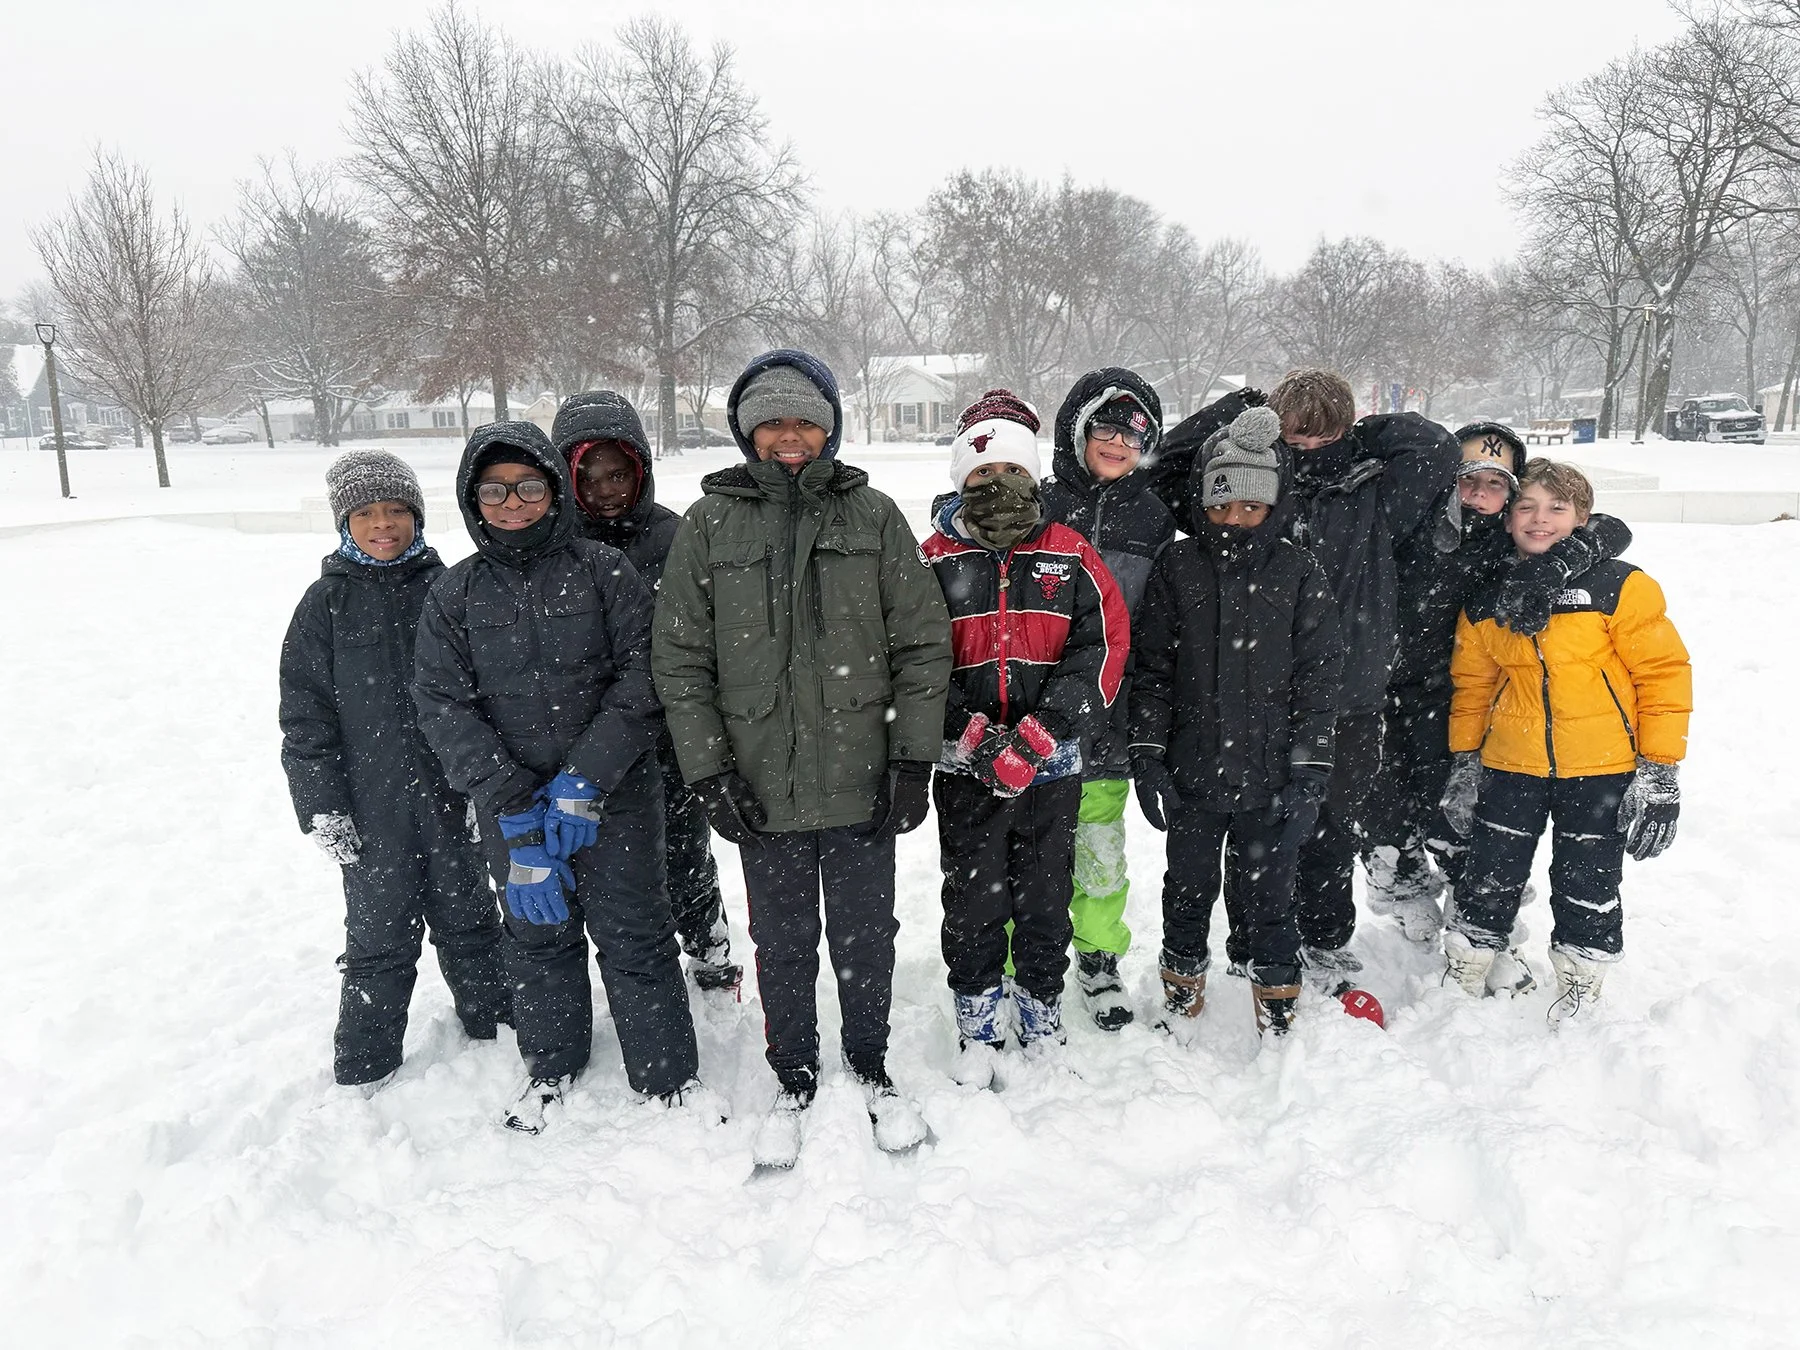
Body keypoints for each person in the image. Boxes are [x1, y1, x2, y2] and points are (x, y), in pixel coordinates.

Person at [652, 349, 952, 1167]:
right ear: (748, 432)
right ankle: (794, 1072)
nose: (791, 436)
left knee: (865, 935)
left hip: (861, 778)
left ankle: (869, 1061)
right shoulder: (709, 526)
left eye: (805, 420)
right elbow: (681, 659)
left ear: (830, 428)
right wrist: (709, 771)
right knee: (781, 942)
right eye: (773, 422)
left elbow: (923, 645)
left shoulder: (875, 516)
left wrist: (911, 759)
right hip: (760, 783)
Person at [413, 422, 706, 1134]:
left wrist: (586, 779)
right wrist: (513, 809)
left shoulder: (605, 572)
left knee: (635, 933)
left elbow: (644, 677)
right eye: (495, 490)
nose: (513, 503)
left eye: (529, 487)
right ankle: (551, 1066)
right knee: (537, 937)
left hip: (614, 796)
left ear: (553, 492)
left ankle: (667, 1080)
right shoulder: (456, 594)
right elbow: (442, 704)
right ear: (472, 499)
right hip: (511, 807)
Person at [1362, 422, 1634, 965]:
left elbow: (1604, 526)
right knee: (1377, 807)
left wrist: (1556, 564)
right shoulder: (1401, 521)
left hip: (1455, 693)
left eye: (1495, 483)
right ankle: (1404, 889)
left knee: (1456, 812)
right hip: (1371, 690)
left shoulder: (1509, 547)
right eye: (1466, 479)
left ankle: (1484, 921)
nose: (1479, 495)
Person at [919, 390, 1130, 1087]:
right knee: (975, 898)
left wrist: (1044, 731)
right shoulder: (932, 559)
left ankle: (1040, 1001)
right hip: (967, 770)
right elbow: (910, 660)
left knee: (1044, 895)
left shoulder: (1067, 553)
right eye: (980, 475)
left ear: (1031, 474)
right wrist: (971, 734)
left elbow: (1102, 646)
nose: (995, 484)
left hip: (1051, 766)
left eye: (1009, 470)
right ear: (960, 478)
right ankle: (977, 1010)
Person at [279, 450, 508, 1091]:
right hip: (372, 808)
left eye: (396, 511)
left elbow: (491, 692)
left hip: (451, 793)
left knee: (471, 923)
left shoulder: (454, 587)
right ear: (344, 523)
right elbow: (305, 716)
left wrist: (481, 784)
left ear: (417, 516)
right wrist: (321, 803)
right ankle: (365, 1065)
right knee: (378, 940)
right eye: (365, 513)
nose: (383, 525)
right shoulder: (324, 604)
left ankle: (496, 1029)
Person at [1440, 459, 1691, 1021]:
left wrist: (1660, 768)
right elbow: (1474, 685)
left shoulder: (1619, 586)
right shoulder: (1487, 595)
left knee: (1589, 878)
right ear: (1507, 518)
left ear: (1581, 516)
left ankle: (1580, 977)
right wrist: (1465, 760)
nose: (1539, 518)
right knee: (1489, 874)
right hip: (1511, 762)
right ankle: (1469, 966)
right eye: (1526, 505)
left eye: (1557, 507)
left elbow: (1664, 674)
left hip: (1601, 765)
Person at [1129, 407, 1344, 1037]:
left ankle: (1274, 984)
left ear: (1273, 507)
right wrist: (1148, 752)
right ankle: (1182, 977)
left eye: (1252, 509)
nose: (1235, 520)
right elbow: (1153, 671)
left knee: (1271, 894)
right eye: (1222, 506)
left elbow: (1319, 676)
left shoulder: (1298, 571)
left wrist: (1310, 768)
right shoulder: (1178, 567)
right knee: (1188, 888)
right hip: (1194, 772)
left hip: (1272, 775)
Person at [550, 389, 741, 996]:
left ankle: (707, 944)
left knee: (683, 854)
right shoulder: (550, 548)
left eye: (619, 473)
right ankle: (627, 966)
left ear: (642, 469)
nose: (606, 489)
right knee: (605, 865)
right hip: (584, 738)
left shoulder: (678, 538)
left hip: (670, 737)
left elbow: (715, 633)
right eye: (590, 475)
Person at [1040, 368, 1174, 1031]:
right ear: (1079, 430)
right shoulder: (1040, 505)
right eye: (1107, 428)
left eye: (1135, 433)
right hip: (1039, 716)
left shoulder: (1154, 519)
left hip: (1111, 721)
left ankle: (1097, 958)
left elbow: (1155, 630)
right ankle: (1022, 959)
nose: (1119, 443)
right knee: (1033, 852)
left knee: (1099, 851)